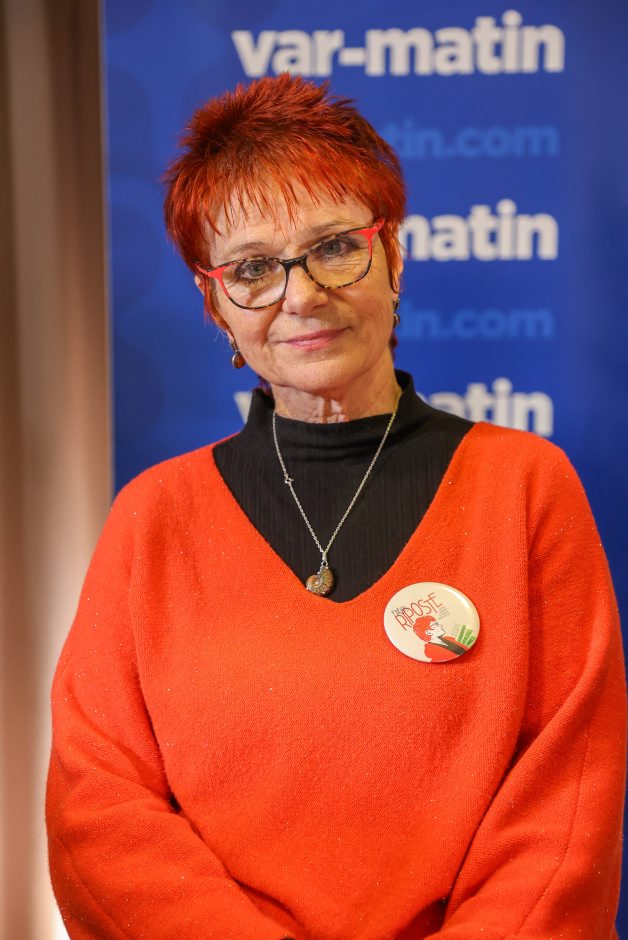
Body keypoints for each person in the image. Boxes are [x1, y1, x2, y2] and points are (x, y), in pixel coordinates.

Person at [46, 74, 626, 939]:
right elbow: (98, 810)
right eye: (253, 269)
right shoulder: (151, 519)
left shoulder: (526, 487)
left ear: (395, 257)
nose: (302, 295)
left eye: (334, 247)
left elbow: (566, 809)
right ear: (215, 305)